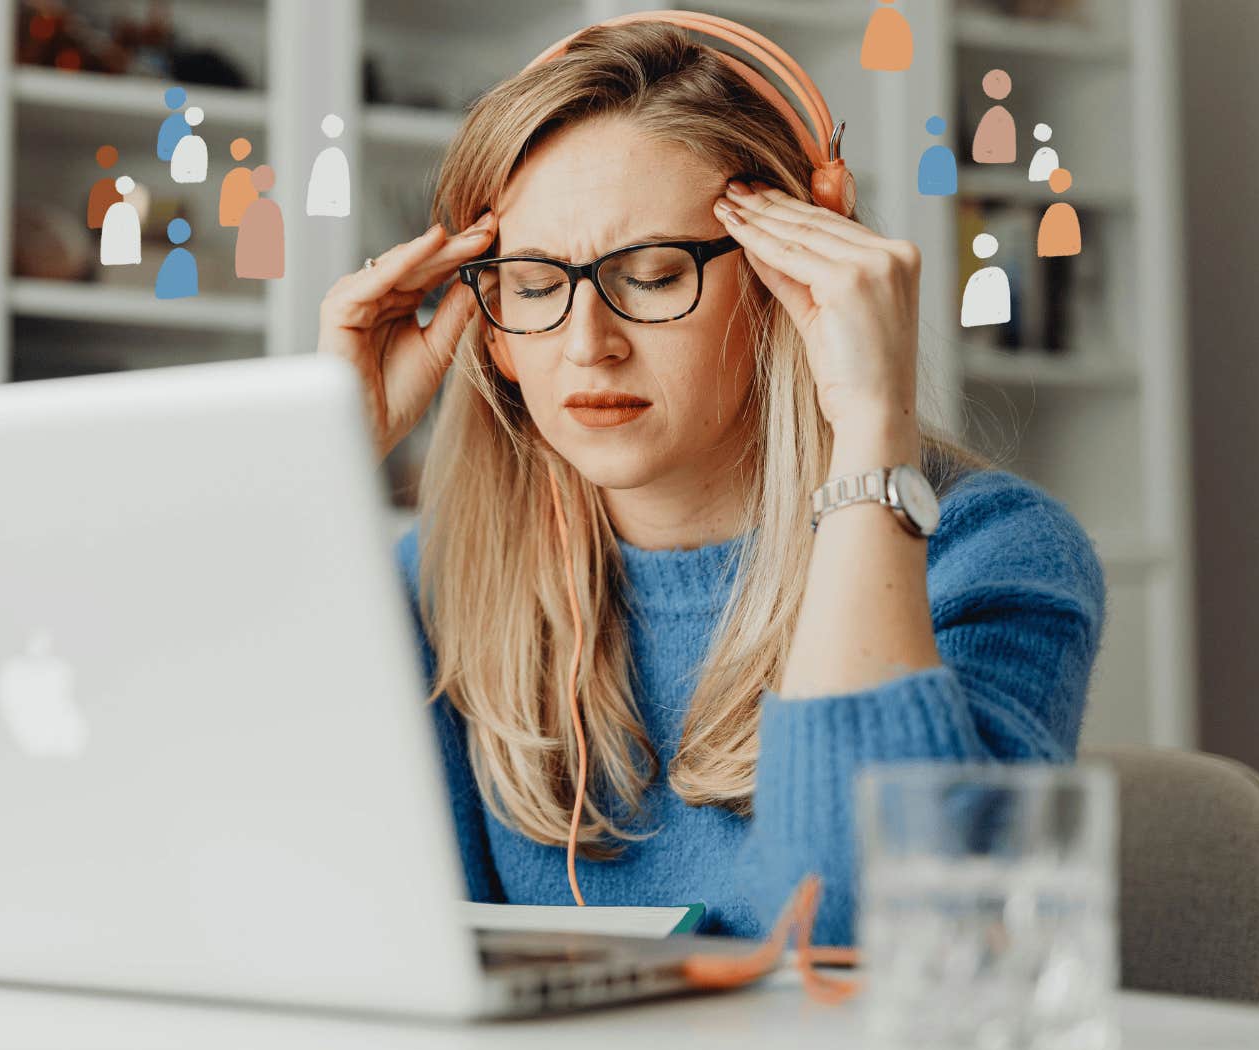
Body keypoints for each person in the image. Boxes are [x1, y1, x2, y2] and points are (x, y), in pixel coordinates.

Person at [314, 22, 1105, 947]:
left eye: (651, 276)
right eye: (532, 286)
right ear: (487, 323)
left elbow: (864, 937)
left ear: (790, 278)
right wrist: (322, 467)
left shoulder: (990, 557)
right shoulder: (439, 583)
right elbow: (324, 912)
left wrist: (868, 437)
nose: (587, 343)